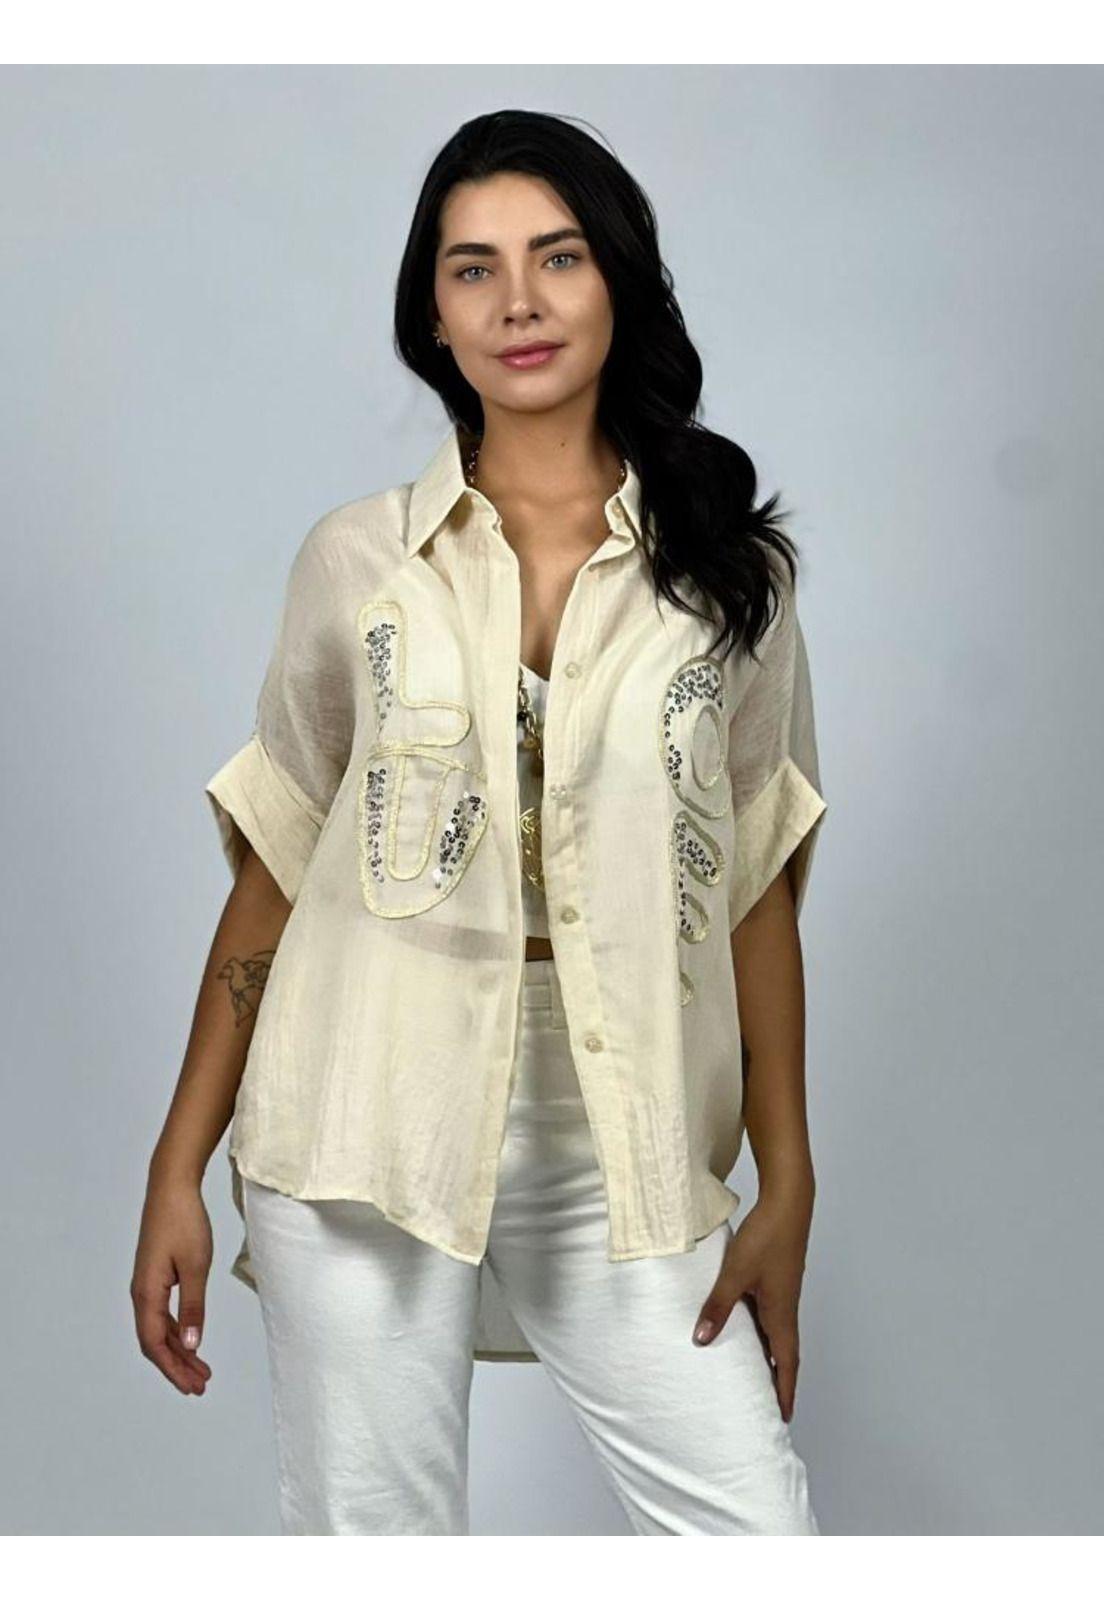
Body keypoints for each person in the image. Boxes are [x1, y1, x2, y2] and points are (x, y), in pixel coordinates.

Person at [131, 108, 828, 1536]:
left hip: (623, 1125)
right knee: (377, 1544)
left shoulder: (727, 575)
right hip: (358, 1111)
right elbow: (277, 868)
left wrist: (788, 1177)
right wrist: (176, 1165)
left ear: (617, 282)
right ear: (433, 317)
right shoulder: (357, 561)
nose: (518, 301)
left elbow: (754, 888)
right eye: (473, 269)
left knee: (756, 1535)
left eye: (557, 257)